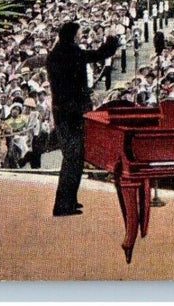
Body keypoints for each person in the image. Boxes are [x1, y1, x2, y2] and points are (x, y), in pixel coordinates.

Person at [46, 21, 119, 217]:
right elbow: (100, 54)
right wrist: (112, 39)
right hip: (73, 113)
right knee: (73, 157)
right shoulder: (72, 53)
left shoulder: (54, 55)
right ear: (72, 35)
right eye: (78, 33)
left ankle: (69, 200)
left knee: (74, 158)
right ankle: (63, 205)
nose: (80, 36)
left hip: (62, 112)